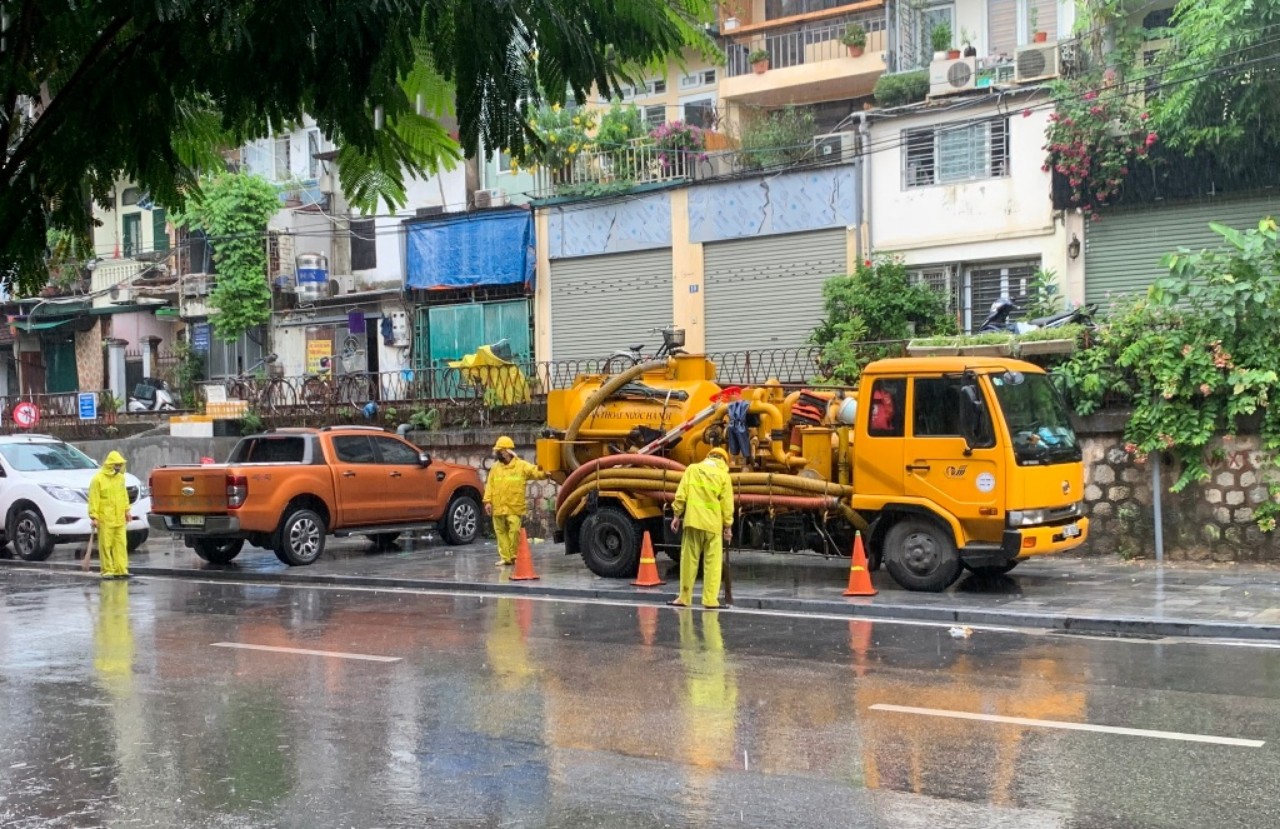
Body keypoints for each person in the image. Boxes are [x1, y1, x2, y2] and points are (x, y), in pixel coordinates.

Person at [670, 447, 734, 609]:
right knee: (712, 564)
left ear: (708, 456)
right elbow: (727, 504)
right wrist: (728, 526)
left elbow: (681, 494)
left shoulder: (692, 469)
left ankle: (684, 597)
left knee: (688, 562)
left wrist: (677, 515)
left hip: (693, 522)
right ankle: (710, 600)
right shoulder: (723, 476)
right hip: (713, 526)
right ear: (724, 461)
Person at [483, 436, 549, 567]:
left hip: (514, 506)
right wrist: (487, 501)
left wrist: (546, 472)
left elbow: (535, 471)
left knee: (514, 531)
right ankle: (505, 558)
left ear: (507, 451)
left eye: (500, 451)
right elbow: (489, 485)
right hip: (498, 506)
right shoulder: (495, 468)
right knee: (500, 533)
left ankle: (513, 555)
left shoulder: (521, 466)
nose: (498, 454)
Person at [88, 450, 133, 580]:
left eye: (120, 464)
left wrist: (127, 510)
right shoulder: (98, 479)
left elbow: (123, 496)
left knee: (121, 544)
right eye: (116, 464)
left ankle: (121, 570)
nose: (118, 467)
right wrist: (94, 517)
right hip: (105, 519)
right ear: (110, 464)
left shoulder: (120, 478)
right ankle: (107, 570)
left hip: (119, 518)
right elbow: (94, 498)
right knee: (106, 545)